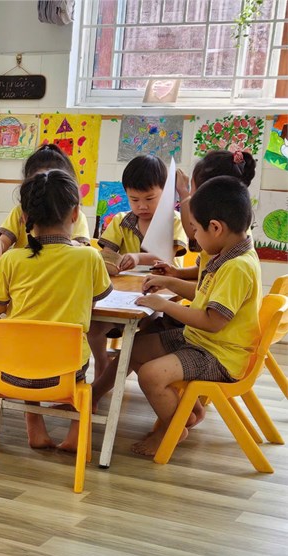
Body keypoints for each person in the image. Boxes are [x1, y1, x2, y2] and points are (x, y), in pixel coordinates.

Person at [124, 176, 261, 458]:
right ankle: (186, 411)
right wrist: (171, 283)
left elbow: (212, 322)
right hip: (201, 342)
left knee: (150, 375)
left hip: (218, 355)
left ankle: (172, 428)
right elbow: (204, 294)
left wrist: (164, 305)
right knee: (135, 348)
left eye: (196, 230)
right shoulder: (228, 255)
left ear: (216, 228)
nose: (194, 237)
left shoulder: (237, 267)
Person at [0, 169, 111, 452]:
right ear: (75, 214)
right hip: (66, 373)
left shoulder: (11, 260)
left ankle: (34, 421)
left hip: (10, 371)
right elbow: (93, 303)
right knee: (70, 356)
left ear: (24, 217)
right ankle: (75, 432)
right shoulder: (89, 257)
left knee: (29, 344)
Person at [155, 149, 257, 281]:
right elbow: (205, 271)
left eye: (192, 189)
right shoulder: (232, 228)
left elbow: (206, 290)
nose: (190, 196)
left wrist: (183, 192)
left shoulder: (232, 255)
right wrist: (176, 273)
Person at [96, 154, 188, 274]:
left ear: (165, 192)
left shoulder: (174, 220)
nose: (142, 206)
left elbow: (166, 256)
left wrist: (138, 258)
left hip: (165, 282)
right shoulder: (120, 221)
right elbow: (108, 254)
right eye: (134, 200)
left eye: (149, 199)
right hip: (127, 283)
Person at [0, 143, 91, 256]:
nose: (47, 184)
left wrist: (61, 244)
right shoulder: (19, 212)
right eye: (39, 181)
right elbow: (3, 243)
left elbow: (82, 248)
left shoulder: (75, 214)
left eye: (54, 179)